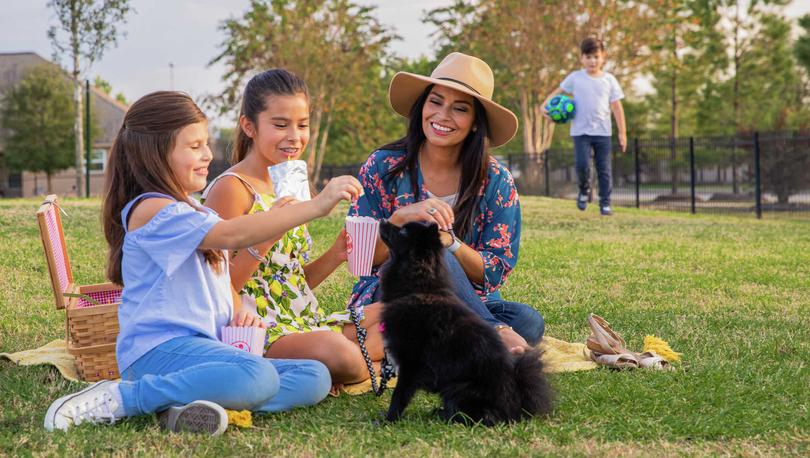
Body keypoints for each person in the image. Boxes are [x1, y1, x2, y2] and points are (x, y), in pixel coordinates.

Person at [43, 91, 363, 434]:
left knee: (314, 375)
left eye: (206, 144)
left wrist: (244, 310)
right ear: (156, 151)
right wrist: (316, 205)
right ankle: (124, 396)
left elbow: (217, 286)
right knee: (259, 374)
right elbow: (231, 234)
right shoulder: (150, 209)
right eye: (194, 146)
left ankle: (187, 405)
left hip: (206, 349)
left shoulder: (194, 209)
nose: (208, 154)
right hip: (159, 352)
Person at [347, 52, 545, 356]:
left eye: (460, 109)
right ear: (422, 106)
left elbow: (493, 271)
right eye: (435, 101)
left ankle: (445, 338)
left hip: (467, 299)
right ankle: (491, 333)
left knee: (528, 322)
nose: (442, 115)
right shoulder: (383, 166)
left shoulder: (496, 180)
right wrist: (399, 220)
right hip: (392, 297)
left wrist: (449, 242)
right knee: (425, 250)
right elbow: (360, 259)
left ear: (476, 123)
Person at [203, 69, 384, 386]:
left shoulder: (290, 184)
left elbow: (288, 286)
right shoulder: (232, 188)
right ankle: (373, 365)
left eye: (302, 125)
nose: (295, 136)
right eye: (280, 124)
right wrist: (266, 235)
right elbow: (215, 286)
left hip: (301, 320)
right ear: (249, 126)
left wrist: (336, 255)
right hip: (256, 330)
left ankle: (370, 360)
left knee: (409, 314)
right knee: (340, 353)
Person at [543, 37, 627, 216]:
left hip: (603, 132)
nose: (592, 61)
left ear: (603, 57)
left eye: (596, 57)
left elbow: (617, 107)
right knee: (582, 165)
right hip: (580, 132)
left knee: (604, 168)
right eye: (588, 57)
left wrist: (622, 133)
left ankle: (605, 203)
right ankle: (584, 190)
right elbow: (556, 93)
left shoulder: (609, 80)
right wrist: (544, 107)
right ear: (581, 58)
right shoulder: (575, 78)